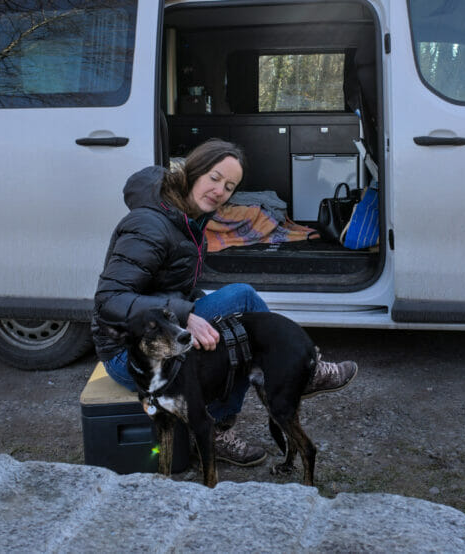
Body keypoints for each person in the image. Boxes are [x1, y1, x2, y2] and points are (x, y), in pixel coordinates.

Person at [92, 138, 357, 466]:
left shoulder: (188, 220)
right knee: (242, 298)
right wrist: (186, 315)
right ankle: (302, 373)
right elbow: (110, 299)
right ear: (194, 171)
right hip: (127, 353)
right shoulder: (150, 224)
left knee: (238, 334)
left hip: (163, 328)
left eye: (230, 186)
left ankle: (217, 424)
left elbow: (174, 290)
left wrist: (193, 310)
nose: (220, 191)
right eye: (214, 178)